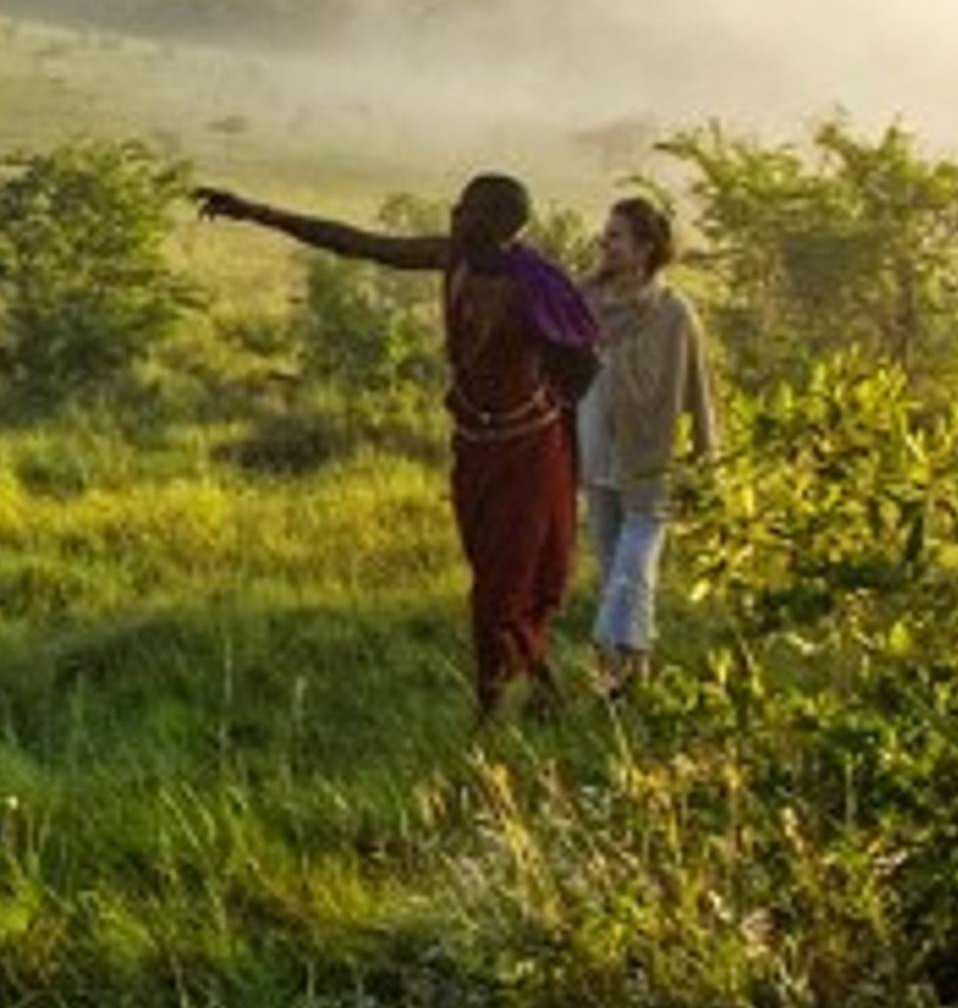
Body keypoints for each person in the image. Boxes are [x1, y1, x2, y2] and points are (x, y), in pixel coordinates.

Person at [194, 173, 599, 723]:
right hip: (475, 445)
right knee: (493, 569)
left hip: (527, 451)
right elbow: (355, 242)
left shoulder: (536, 284)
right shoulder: (453, 257)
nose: (455, 216)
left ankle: (489, 707)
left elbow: (582, 362)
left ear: (497, 224)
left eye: (467, 211)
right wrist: (256, 211)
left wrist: (544, 405)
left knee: (500, 590)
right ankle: (541, 676)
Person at [575, 196, 720, 696]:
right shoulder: (586, 302)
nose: (605, 243)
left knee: (632, 570)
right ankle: (632, 679)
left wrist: (707, 462)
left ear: (644, 248)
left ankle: (603, 655)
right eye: (606, 234)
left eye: (616, 236)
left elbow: (698, 392)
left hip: (652, 463)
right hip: (596, 455)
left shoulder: (674, 314)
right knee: (614, 568)